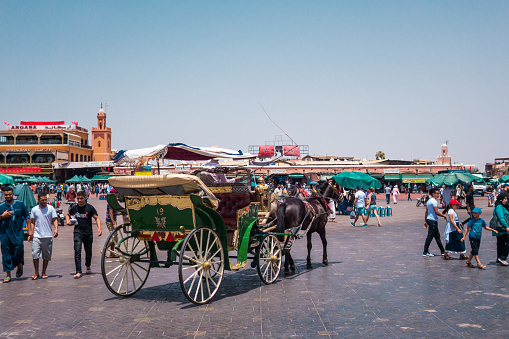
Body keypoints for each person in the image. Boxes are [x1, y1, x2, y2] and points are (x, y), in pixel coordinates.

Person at [66, 191, 102, 279]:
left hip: (88, 233)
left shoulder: (90, 208)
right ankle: (78, 271)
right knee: (77, 251)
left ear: (85, 198)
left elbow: (96, 218)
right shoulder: (74, 208)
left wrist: (99, 228)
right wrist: (68, 221)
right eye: (78, 199)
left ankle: (88, 265)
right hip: (78, 232)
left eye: (81, 198)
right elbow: (67, 214)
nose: (79, 200)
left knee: (88, 251)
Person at [0, 186, 30, 283]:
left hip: (17, 233)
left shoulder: (20, 204)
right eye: (6, 195)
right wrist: (2, 216)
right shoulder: (1, 206)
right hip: (5, 234)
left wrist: (30, 230)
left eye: (9, 194)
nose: (8, 196)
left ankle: (19, 264)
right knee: (6, 253)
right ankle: (8, 275)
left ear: (13, 194)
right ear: (4, 195)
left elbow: (27, 216)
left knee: (18, 250)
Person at [28, 193, 58, 280]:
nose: (44, 202)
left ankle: (44, 272)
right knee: (35, 255)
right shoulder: (34, 209)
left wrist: (56, 229)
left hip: (48, 235)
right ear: (38, 200)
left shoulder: (51, 208)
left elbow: (55, 219)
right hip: (37, 235)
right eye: (42, 200)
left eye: (46, 200)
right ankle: (36, 272)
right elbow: (32, 222)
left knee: (46, 256)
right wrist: (31, 233)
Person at [423, 188, 446, 257]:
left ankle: (442, 251)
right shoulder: (434, 201)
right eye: (437, 193)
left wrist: (425, 221)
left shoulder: (429, 201)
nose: (438, 195)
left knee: (437, 236)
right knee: (430, 236)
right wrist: (444, 216)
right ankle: (425, 251)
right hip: (433, 220)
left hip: (431, 220)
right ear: (433, 194)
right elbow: (436, 212)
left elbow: (426, 212)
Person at [492, 194, 509, 266]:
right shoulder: (499, 207)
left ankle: (499, 258)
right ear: (501, 199)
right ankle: (502, 257)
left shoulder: (500, 206)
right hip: (502, 228)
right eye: (505, 199)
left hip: (501, 229)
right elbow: (501, 217)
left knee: (500, 243)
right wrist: (507, 226)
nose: (506, 200)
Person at [105, 188, 120, 258]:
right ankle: (104, 250)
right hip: (110, 221)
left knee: (114, 237)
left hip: (112, 220)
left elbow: (115, 212)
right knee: (114, 238)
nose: (118, 194)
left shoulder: (114, 201)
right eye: (117, 193)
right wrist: (113, 223)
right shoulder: (111, 201)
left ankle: (112, 253)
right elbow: (111, 213)